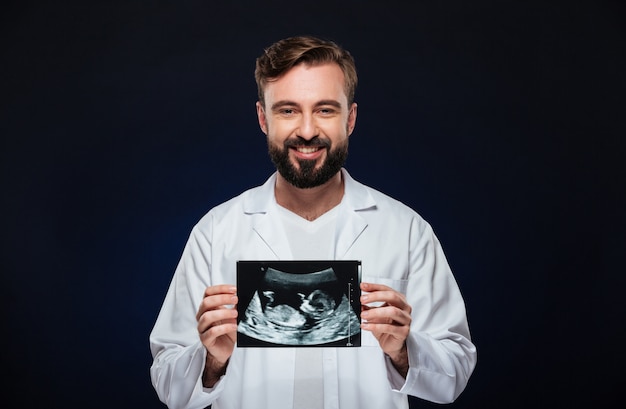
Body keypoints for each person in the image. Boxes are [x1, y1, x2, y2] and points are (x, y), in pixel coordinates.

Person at [149, 35, 477, 409]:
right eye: (288, 110)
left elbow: (456, 372)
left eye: (325, 110)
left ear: (350, 118)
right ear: (263, 118)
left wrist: (403, 350)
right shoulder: (216, 232)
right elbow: (168, 385)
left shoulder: (406, 231)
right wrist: (212, 360)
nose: (306, 131)